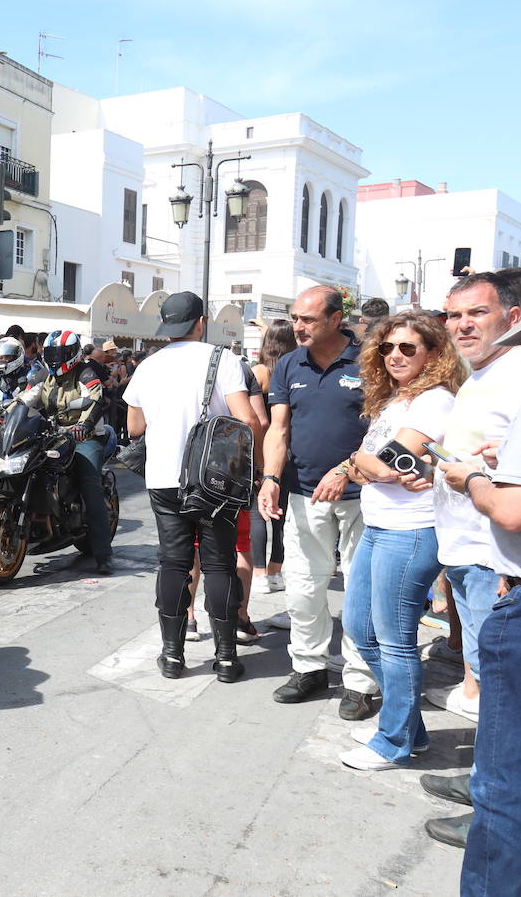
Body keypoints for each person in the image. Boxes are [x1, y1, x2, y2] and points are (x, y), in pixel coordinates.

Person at [419, 271, 521, 851]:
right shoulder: (485, 376)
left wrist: (472, 475)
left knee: (506, 697)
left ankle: (499, 814)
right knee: (493, 687)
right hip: (478, 553)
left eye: (476, 313)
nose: (462, 325)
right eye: (453, 316)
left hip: (500, 558)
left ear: (515, 317)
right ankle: (485, 788)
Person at [339, 311, 462, 771]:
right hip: (380, 525)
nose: (395, 355)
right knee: (361, 631)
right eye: (388, 347)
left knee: (393, 642)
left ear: (433, 353)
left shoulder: (433, 400)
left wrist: (364, 461)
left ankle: (393, 742)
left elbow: (391, 455)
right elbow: (368, 462)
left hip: (411, 532)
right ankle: (411, 728)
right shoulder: (395, 402)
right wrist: (365, 462)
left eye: (408, 347)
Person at [125, 293, 261, 681]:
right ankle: (226, 659)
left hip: (164, 479)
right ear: (200, 323)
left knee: (174, 563)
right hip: (214, 482)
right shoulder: (224, 360)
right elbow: (247, 420)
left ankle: (171, 655)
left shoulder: (147, 367)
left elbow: (135, 428)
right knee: (219, 565)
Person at [258, 286, 380, 719]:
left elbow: (382, 431)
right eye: (295, 318)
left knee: (360, 589)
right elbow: (278, 429)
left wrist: (348, 468)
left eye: (308, 319)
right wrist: (271, 477)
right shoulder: (289, 363)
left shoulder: (371, 361)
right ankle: (308, 668)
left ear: (334, 319)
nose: (298, 326)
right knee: (304, 584)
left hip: (361, 494)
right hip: (302, 492)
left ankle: (360, 680)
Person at [36, 331, 116, 575]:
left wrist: (84, 425)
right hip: (53, 435)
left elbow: (95, 399)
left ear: (71, 354)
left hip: (85, 437)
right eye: (50, 354)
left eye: (58, 354)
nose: (53, 359)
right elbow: (26, 396)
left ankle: (103, 554)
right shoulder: (45, 375)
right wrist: (2, 414)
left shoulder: (86, 372)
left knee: (89, 485)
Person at [251, 319, 297, 595]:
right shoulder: (294, 368)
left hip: (264, 447)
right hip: (290, 447)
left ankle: (259, 574)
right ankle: (276, 571)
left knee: (259, 512)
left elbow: (257, 420)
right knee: (281, 512)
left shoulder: (259, 372)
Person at [0, 337, 28, 402]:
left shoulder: (28, 376)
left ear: (17, 356)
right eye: (0, 357)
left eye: (7, 357)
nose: (3, 360)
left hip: (18, 411)